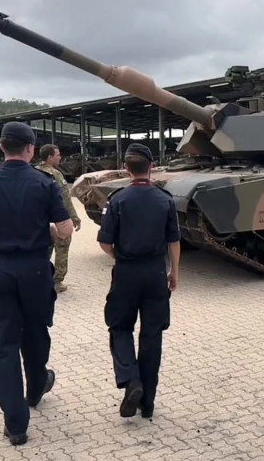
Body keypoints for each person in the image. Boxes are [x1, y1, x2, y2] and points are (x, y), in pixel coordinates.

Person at [0, 121, 74, 445]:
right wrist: (48, 231)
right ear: (29, 149)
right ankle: (36, 387)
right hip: (37, 271)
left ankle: (16, 424)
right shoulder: (44, 183)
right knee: (36, 333)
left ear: (1, 147)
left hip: (0, 271)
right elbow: (66, 229)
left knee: (3, 346)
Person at [96, 142, 180, 420]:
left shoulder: (118, 199)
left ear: (126, 168)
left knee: (119, 327)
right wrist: (174, 272)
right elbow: (174, 241)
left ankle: (131, 380)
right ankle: (148, 404)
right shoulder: (165, 199)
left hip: (126, 272)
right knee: (152, 335)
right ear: (151, 167)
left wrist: (120, 258)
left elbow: (105, 243)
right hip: (156, 273)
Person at [36, 144, 82, 293]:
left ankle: (40, 278)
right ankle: (57, 282)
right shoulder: (55, 174)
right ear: (49, 158)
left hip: (39, 222)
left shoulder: (33, 172)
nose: (60, 157)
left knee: (43, 250)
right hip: (58, 220)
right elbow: (65, 198)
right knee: (62, 247)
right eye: (57, 155)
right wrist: (74, 218)